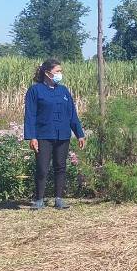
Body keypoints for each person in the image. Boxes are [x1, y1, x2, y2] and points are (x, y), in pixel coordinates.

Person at [24, 58, 86, 210]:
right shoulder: (35, 90)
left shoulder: (63, 90)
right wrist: (32, 136)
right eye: (57, 71)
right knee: (42, 168)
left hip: (63, 135)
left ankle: (59, 199)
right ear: (47, 73)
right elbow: (30, 115)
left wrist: (79, 134)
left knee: (60, 167)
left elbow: (72, 114)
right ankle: (39, 200)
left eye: (60, 71)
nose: (60, 74)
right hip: (44, 135)